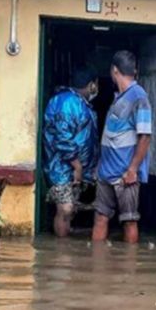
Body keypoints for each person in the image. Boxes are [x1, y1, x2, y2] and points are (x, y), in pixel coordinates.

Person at [92, 50, 152, 244]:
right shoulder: (120, 97)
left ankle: (129, 271)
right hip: (106, 172)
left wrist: (132, 169)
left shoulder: (138, 97)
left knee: (129, 220)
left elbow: (145, 136)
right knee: (100, 217)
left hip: (125, 174)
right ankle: (97, 266)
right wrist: (100, 165)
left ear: (114, 71)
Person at [42, 65, 100, 237]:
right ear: (91, 85)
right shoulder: (66, 103)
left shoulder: (81, 103)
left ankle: (66, 252)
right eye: (96, 84)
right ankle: (62, 254)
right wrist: (77, 167)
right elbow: (63, 139)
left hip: (75, 169)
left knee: (71, 209)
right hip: (62, 168)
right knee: (65, 209)